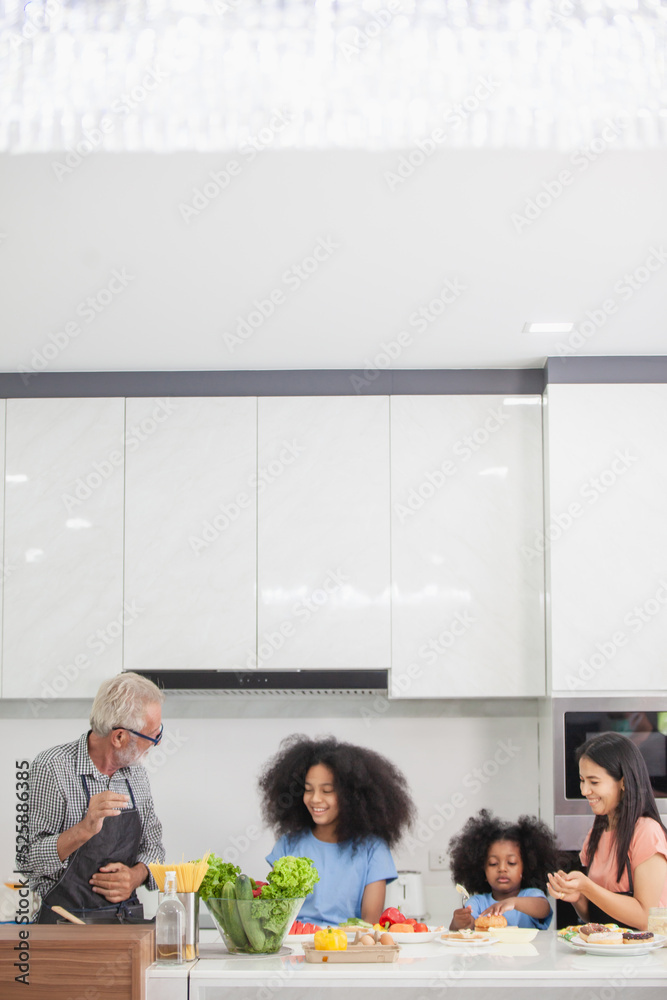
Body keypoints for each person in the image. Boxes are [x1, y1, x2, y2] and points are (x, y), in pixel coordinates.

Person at [19, 672, 166, 923]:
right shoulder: (53, 767)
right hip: (64, 927)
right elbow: (29, 861)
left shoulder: (136, 775)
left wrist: (136, 875)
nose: (155, 744)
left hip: (125, 923)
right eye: (153, 736)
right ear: (119, 737)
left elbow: (154, 849)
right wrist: (85, 829)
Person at [258, 735, 415, 925]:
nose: (315, 799)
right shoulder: (288, 845)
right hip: (294, 946)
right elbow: (276, 917)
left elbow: (369, 923)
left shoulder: (373, 849)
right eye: (308, 789)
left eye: (327, 791)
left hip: (348, 947)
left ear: (351, 797)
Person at [548, 732, 667, 931]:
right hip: (609, 952)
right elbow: (595, 915)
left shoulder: (647, 832)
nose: (585, 790)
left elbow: (646, 917)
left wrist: (587, 886)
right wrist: (577, 897)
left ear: (623, 782)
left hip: (644, 957)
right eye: (582, 780)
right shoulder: (597, 832)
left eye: (594, 782)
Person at [448, 809, 558, 930]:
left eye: (511, 863)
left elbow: (543, 908)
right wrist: (458, 923)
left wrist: (513, 903)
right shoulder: (477, 903)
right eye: (493, 863)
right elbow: (464, 930)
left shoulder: (532, 895)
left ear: (526, 868)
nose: (502, 869)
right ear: (481, 870)